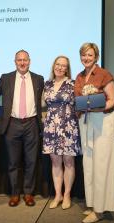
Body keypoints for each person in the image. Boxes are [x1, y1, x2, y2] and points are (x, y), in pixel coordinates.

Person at [0, 49, 44, 207]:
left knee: (31, 162)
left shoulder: (39, 79)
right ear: (15, 62)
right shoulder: (6, 78)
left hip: (32, 124)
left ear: (29, 61)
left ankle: (28, 193)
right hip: (12, 124)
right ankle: (15, 194)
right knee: (13, 162)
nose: (22, 63)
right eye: (19, 60)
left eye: (25, 60)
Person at [74, 43, 114, 223]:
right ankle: (92, 204)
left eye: (90, 55)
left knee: (100, 165)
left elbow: (112, 100)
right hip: (86, 122)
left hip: (103, 122)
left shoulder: (104, 74)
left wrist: (96, 108)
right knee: (89, 163)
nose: (86, 58)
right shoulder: (79, 76)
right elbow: (77, 100)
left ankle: (100, 210)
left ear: (96, 57)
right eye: (83, 55)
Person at [42, 56, 81, 210]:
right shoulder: (47, 84)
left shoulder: (73, 84)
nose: (59, 67)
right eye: (57, 64)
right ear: (54, 66)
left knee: (69, 162)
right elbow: (43, 106)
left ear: (67, 68)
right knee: (56, 162)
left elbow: (80, 104)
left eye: (63, 66)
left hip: (68, 127)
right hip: (51, 127)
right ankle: (58, 194)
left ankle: (67, 195)